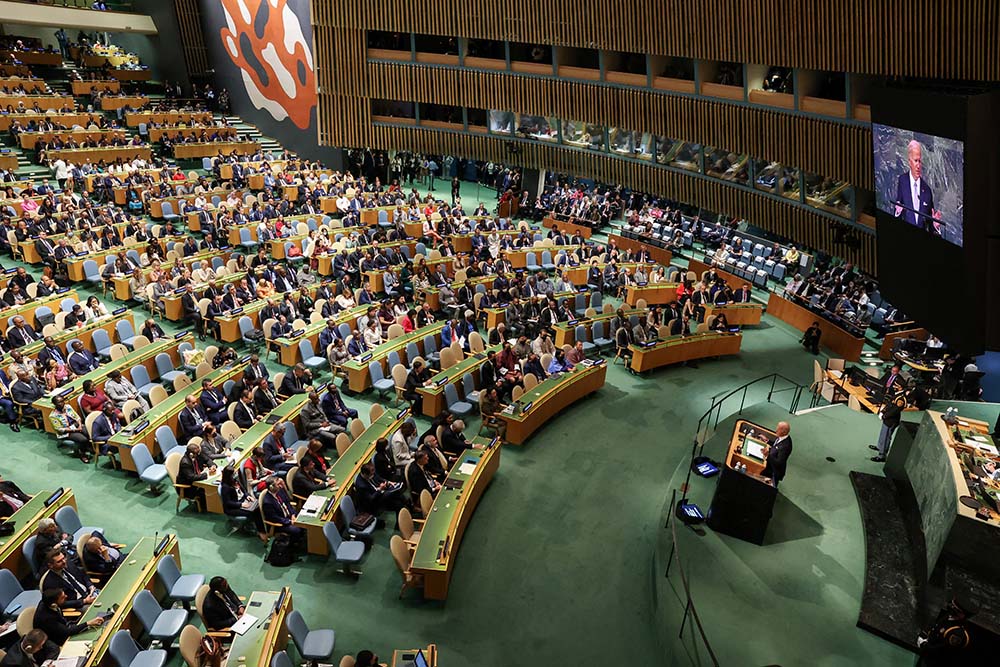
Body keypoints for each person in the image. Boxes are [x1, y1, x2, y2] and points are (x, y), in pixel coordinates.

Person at [894, 140, 941, 235]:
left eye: (920, 161)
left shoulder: (927, 190)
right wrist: (897, 212)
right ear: (909, 162)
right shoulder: (902, 181)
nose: (918, 165)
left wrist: (935, 225)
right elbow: (898, 208)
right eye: (915, 161)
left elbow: (929, 222)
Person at [32, 589, 104, 646]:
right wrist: (88, 623)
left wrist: (84, 601)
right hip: (58, 638)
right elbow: (66, 632)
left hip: (64, 626)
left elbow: (64, 604)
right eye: (63, 597)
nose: (66, 596)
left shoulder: (47, 601)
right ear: (54, 604)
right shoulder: (47, 618)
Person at [220, 466, 267, 541]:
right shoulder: (225, 487)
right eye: (234, 473)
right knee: (255, 510)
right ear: (229, 475)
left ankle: (262, 526)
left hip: (243, 500)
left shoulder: (235, 480)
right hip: (233, 507)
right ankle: (261, 531)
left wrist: (247, 496)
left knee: (259, 504)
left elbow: (243, 489)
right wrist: (241, 505)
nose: (236, 474)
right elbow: (227, 502)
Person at [49, 396, 91, 463]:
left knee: (88, 432)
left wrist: (80, 425)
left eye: (62, 401)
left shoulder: (68, 407)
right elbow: (60, 429)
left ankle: (89, 447)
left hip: (76, 425)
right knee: (83, 439)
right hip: (67, 432)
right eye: (59, 402)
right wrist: (75, 430)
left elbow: (77, 417)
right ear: (54, 404)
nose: (62, 403)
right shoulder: (53, 416)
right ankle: (82, 454)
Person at [870, 389, 906, 463]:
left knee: (886, 437)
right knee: (883, 434)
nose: (894, 386)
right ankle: (880, 447)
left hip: (891, 420)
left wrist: (884, 416)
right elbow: (889, 404)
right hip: (888, 419)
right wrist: (882, 411)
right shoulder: (896, 394)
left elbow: (895, 410)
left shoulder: (901, 399)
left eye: (897, 385)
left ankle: (882, 455)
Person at [177, 442, 216, 507]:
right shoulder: (185, 463)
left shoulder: (197, 453)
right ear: (191, 454)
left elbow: (207, 459)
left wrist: (212, 466)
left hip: (199, 479)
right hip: (189, 487)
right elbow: (192, 477)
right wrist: (206, 474)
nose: (199, 454)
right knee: (209, 491)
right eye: (197, 454)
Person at [761, 421, 793, 487]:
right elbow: (776, 446)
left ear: (784, 432)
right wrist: (768, 441)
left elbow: (779, 463)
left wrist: (767, 455)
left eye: (778, 429)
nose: (776, 430)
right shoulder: (782, 437)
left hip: (774, 471)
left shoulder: (786, 446)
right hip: (770, 466)